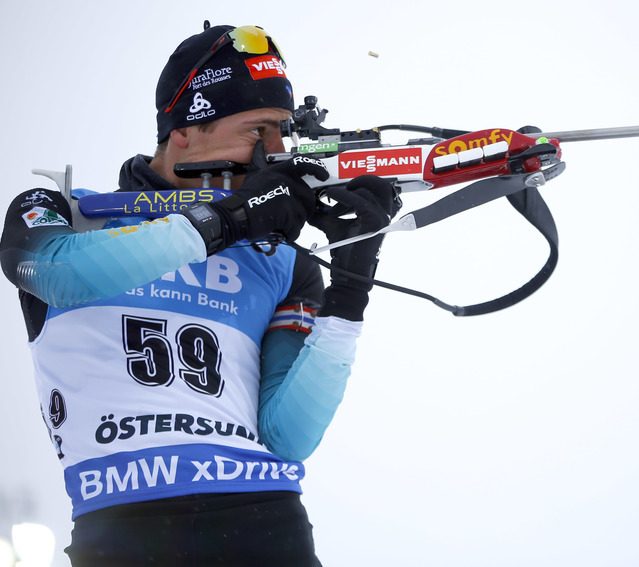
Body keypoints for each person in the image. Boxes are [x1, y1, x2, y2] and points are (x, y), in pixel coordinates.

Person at [0, 22, 397, 566]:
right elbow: (56, 274)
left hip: (264, 521)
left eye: (284, 132)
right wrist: (228, 220)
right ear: (185, 130)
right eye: (258, 130)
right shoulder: (66, 213)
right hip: (123, 530)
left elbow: (288, 438)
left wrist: (349, 296)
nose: (274, 153)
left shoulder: (282, 261)